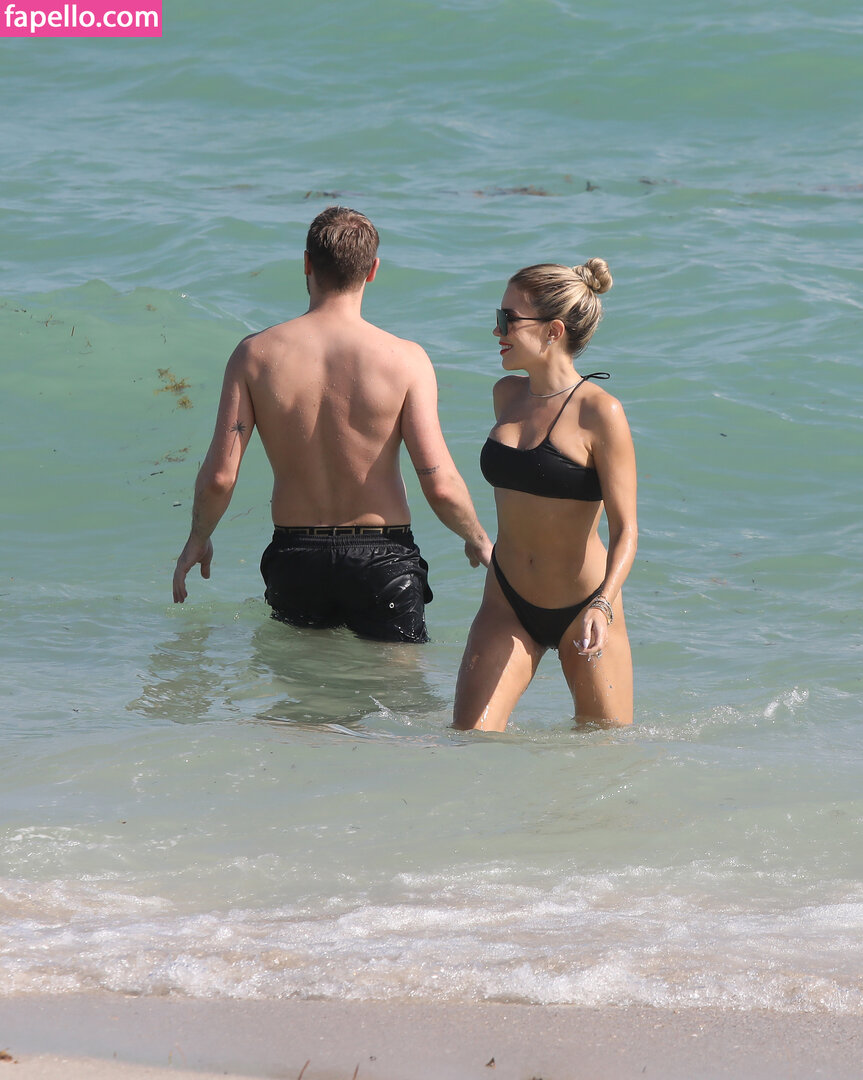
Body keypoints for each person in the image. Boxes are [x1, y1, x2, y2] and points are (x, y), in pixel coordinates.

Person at [172, 206, 491, 643]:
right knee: (397, 683)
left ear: (306, 264)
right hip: (383, 560)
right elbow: (439, 485)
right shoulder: (405, 360)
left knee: (303, 684)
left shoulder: (254, 355)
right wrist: (477, 537)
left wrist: (199, 537)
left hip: (296, 558)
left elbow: (220, 478)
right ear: (373, 270)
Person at [452, 259, 637, 729]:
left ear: (553, 331)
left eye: (508, 319)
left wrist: (603, 604)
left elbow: (626, 530)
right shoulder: (506, 395)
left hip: (586, 606)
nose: (497, 331)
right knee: (468, 743)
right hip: (506, 601)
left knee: (603, 753)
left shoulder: (601, 413)